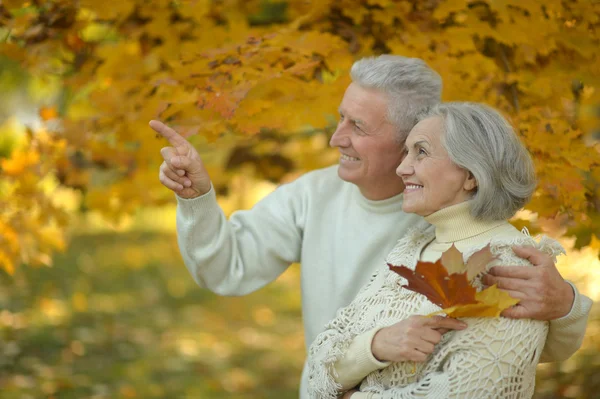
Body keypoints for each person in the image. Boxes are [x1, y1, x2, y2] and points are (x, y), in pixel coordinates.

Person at [150, 55, 592, 398]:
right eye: (340, 117)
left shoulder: (454, 223)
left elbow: (514, 354)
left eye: (356, 125)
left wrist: (567, 305)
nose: (335, 138)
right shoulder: (318, 196)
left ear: (409, 136)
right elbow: (226, 268)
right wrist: (197, 200)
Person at [307, 102, 584, 398]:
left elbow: (470, 391)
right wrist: (375, 345)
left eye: (421, 152)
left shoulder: (508, 264)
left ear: (471, 175)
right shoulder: (413, 247)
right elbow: (317, 369)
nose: (402, 168)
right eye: (406, 152)